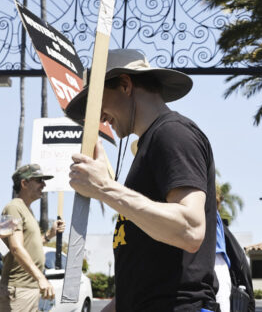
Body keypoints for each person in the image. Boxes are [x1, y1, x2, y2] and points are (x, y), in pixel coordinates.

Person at [67, 48, 218, 311]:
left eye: (96, 101)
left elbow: (191, 230)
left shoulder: (172, 134)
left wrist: (104, 188)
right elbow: (147, 273)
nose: (98, 117)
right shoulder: (151, 144)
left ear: (125, 85)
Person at [0, 164, 66, 311]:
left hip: (27, 289)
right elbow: (15, 247)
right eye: (39, 180)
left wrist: (49, 235)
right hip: (19, 290)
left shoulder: (26, 210)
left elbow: (25, 245)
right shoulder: (13, 208)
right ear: (24, 183)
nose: (44, 184)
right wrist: (41, 278)